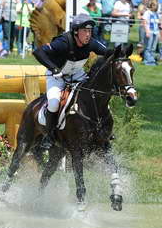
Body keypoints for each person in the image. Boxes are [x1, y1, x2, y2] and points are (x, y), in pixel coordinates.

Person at [32, 14, 107, 149]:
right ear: (76, 31)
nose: (88, 35)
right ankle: (49, 135)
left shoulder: (91, 43)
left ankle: (101, 129)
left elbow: (107, 52)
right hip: (57, 77)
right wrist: (54, 68)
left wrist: (121, 52)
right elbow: (38, 52)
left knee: (94, 94)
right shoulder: (63, 42)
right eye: (85, 31)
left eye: (90, 31)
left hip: (78, 75)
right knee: (54, 103)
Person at [142, 0, 161, 66]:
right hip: (149, 31)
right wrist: (147, 31)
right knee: (148, 47)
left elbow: (157, 24)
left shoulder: (156, 14)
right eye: (155, 5)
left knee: (153, 48)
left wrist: (158, 33)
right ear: (152, 5)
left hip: (155, 32)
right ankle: (147, 61)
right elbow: (144, 22)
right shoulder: (147, 13)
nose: (157, 7)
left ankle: (152, 60)